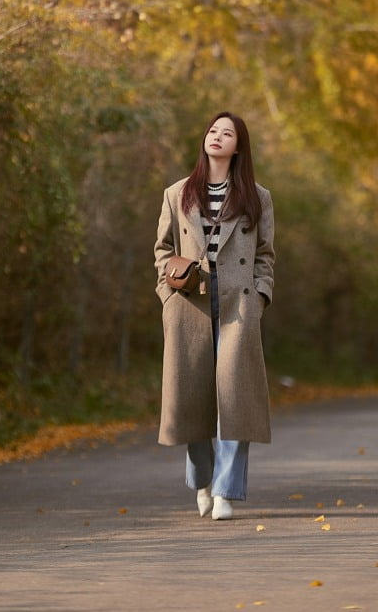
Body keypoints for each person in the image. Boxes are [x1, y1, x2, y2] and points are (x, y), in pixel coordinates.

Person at [154, 111, 275, 520]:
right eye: (212, 131)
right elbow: (162, 249)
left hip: (239, 305)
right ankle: (203, 482)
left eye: (227, 133)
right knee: (194, 399)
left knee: (234, 397)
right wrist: (167, 296)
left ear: (238, 146)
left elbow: (265, 256)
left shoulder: (258, 197)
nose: (217, 137)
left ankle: (225, 492)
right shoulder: (177, 193)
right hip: (189, 304)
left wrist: (259, 296)